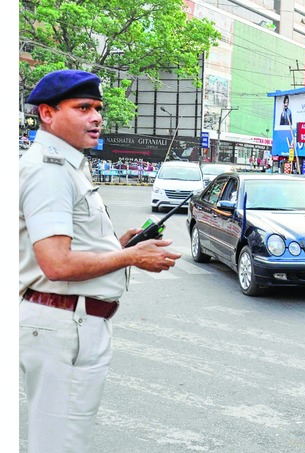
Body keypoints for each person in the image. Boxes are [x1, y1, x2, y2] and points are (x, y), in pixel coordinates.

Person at [19, 69, 182, 453]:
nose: (96, 117)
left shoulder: (65, 165)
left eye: (98, 108)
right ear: (47, 113)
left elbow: (65, 244)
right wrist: (131, 255)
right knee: (60, 445)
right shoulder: (50, 171)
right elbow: (56, 264)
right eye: (83, 108)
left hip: (67, 321)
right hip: (65, 323)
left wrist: (119, 245)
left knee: (62, 440)